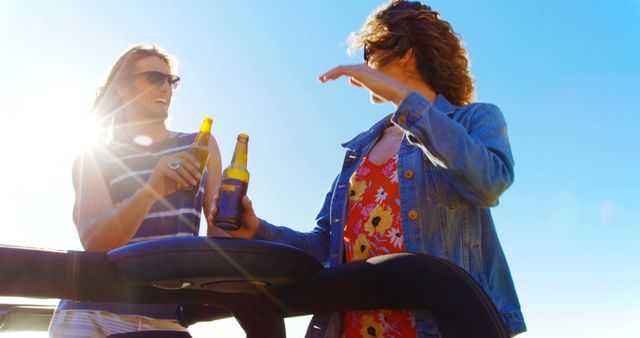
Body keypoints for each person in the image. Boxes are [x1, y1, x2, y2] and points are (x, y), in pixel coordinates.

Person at [210, 1, 526, 337]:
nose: (365, 65)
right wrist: (258, 229)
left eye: (368, 51)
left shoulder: (475, 119)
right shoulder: (359, 149)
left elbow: (490, 182)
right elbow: (324, 248)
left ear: (405, 52)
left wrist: (402, 99)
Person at [48, 44, 222, 338]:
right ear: (123, 89)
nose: (166, 87)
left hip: (166, 316)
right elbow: (96, 241)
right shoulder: (94, 156)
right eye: (155, 78)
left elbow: (221, 238)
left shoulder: (200, 146)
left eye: (171, 80)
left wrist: (240, 218)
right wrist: (152, 189)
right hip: (91, 314)